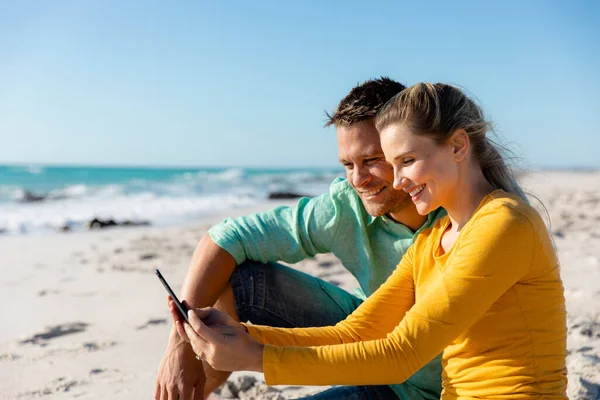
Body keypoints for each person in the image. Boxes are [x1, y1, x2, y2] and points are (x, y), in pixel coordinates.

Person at [170, 83, 568, 399]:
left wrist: (258, 358)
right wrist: (244, 338)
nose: (396, 182)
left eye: (407, 161)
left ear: (459, 146)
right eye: (392, 165)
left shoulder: (504, 223)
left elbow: (402, 353)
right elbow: (356, 332)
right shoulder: (432, 238)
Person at [154, 78, 446, 400]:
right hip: (367, 350)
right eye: (348, 164)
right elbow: (226, 238)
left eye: (371, 160)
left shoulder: (462, 215)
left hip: (431, 384)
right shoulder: (346, 205)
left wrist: (255, 354)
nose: (358, 179)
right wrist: (182, 347)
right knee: (239, 277)